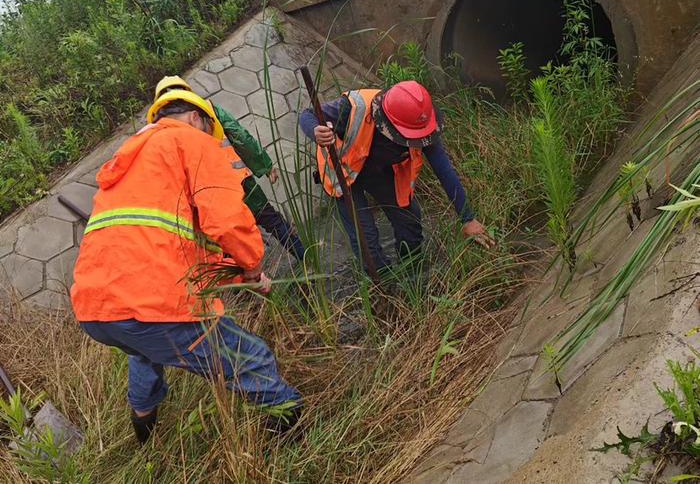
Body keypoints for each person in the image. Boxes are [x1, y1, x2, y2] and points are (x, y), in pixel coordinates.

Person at [70, 87, 302, 445]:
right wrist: (253, 267)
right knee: (250, 358)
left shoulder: (131, 160)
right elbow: (226, 222)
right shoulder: (192, 142)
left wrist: (242, 273)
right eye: (212, 132)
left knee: (145, 353)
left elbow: (183, 247)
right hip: (151, 301)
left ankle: (143, 429)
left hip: (95, 309)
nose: (214, 141)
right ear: (197, 118)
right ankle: (292, 431)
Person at [299, 80, 495, 272]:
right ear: (388, 125)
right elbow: (307, 115)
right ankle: (383, 285)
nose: (416, 141)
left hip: (381, 171)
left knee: (409, 222)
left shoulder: (422, 124)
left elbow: (444, 170)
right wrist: (316, 131)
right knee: (365, 238)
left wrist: (468, 218)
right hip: (344, 173)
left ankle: (412, 271)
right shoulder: (355, 108)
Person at [154, 76, 305, 263]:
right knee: (273, 221)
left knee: (229, 247)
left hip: (213, 201)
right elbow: (241, 137)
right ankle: (307, 260)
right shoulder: (209, 111)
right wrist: (265, 165)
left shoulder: (160, 136)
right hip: (243, 187)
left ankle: (252, 284)